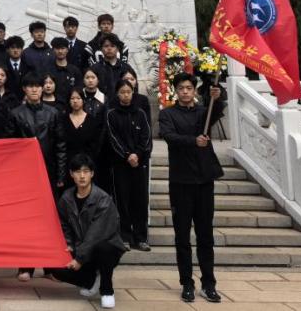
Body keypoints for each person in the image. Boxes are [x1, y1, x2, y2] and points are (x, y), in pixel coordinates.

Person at [158, 72, 226, 303]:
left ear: (194, 90)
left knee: (205, 236)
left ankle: (209, 283)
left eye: (189, 88)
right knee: (182, 237)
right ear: (175, 91)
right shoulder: (167, 114)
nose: (185, 92)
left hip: (204, 181)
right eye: (181, 88)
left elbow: (216, 112)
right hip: (181, 182)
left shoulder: (202, 112)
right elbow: (169, 136)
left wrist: (217, 96)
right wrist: (193, 141)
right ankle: (187, 283)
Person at [5, 73, 67, 281]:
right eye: (30, 86)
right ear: (24, 89)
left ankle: (50, 267)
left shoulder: (53, 113)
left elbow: (60, 145)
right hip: (24, 174)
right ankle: (26, 266)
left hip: (48, 172)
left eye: (38, 86)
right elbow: (8, 146)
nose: (34, 90)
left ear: (43, 89)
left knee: (49, 220)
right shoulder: (15, 114)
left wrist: (60, 175)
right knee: (26, 220)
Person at [46, 153, 127, 309]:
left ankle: (107, 290)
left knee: (103, 248)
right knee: (56, 269)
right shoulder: (66, 198)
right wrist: (69, 244)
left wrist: (79, 259)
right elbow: (63, 224)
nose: (82, 176)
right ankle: (91, 279)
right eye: (77, 172)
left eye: (86, 171)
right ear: (71, 174)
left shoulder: (103, 199)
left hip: (107, 248)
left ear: (92, 174)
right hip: (82, 249)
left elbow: (97, 234)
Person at [106, 78, 153, 252]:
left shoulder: (140, 113)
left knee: (140, 200)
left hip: (139, 164)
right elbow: (113, 139)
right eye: (122, 92)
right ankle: (124, 236)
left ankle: (141, 237)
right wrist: (127, 155)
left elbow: (146, 137)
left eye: (128, 92)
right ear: (117, 94)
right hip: (120, 164)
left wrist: (138, 154)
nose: (126, 95)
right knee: (122, 201)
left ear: (133, 93)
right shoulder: (111, 114)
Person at [63, 87, 103, 165]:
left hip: (88, 162)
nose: (75, 101)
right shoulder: (63, 119)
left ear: (83, 100)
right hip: (68, 162)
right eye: (72, 98)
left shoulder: (92, 120)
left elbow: (96, 145)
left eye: (78, 98)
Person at [92, 34, 134, 98]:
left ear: (117, 49)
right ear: (101, 49)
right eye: (106, 46)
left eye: (112, 46)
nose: (109, 48)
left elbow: (133, 89)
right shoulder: (95, 69)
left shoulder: (126, 68)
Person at [50, 37, 81, 103]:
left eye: (62, 48)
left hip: (71, 105)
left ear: (67, 50)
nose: (60, 51)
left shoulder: (75, 71)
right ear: (53, 50)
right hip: (52, 105)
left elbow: (79, 89)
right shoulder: (48, 70)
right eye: (57, 48)